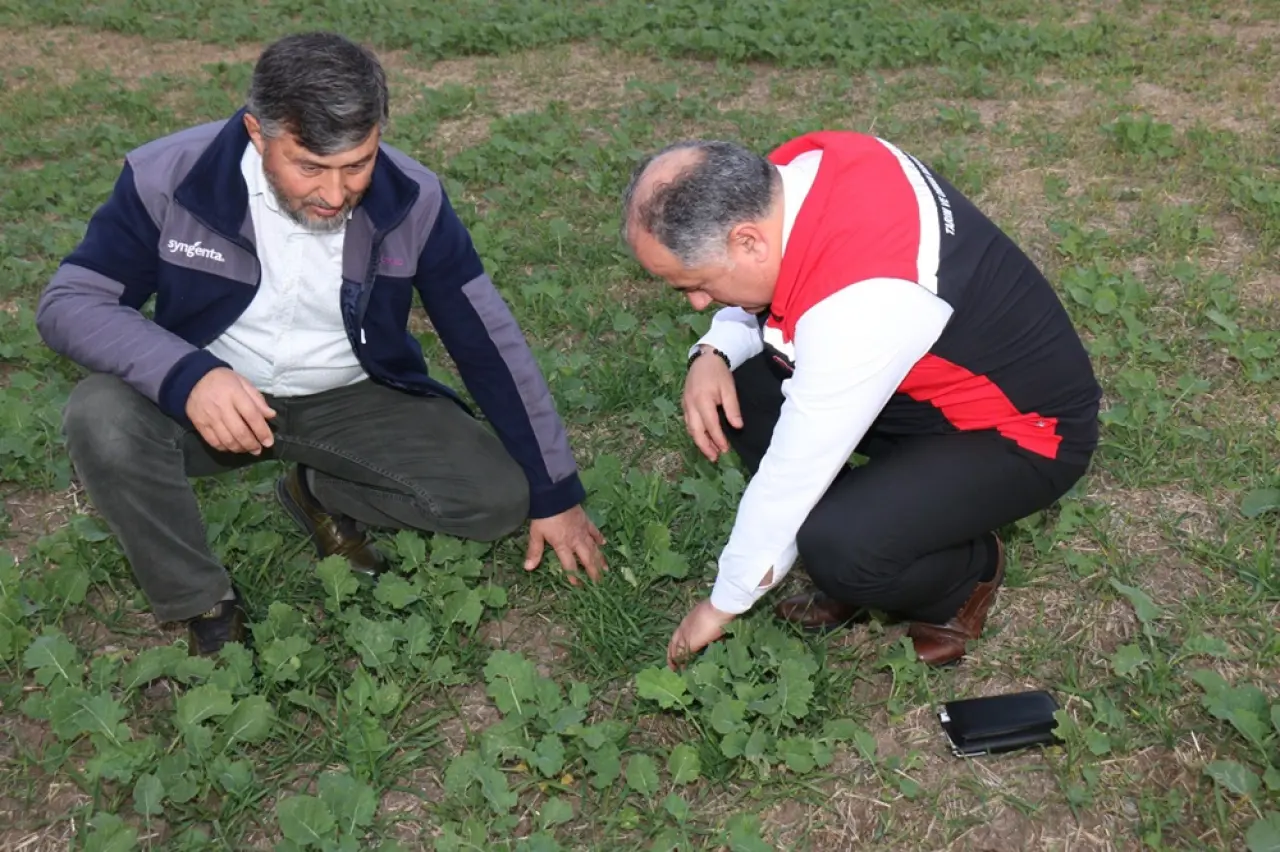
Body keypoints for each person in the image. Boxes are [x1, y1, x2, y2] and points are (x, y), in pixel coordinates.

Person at [36, 32, 606, 657]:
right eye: (309, 166)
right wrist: (187, 375)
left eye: (356, 164)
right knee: (100, 415)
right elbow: (70, 303)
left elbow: (487, 341)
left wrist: (556, 493)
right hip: (209, 400)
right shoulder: (170, 176)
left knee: (497, 499)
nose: (335, 195)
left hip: (350, 395)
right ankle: (201, 600)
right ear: (257, 133)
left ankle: (316, 491)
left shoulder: (412, 198)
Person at [620, 132, 1101, 668]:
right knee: (740, 385)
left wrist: (722, 604)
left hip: (1023, 430)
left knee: (839, 548)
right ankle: (885, 522)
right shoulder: (796, 174)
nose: (697, 301)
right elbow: (771, 306)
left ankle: (965, 572)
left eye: (699, 284)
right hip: (929, 377)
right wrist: (712, 349)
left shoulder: (865, 300)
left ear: (748, 241)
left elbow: (792, 473)